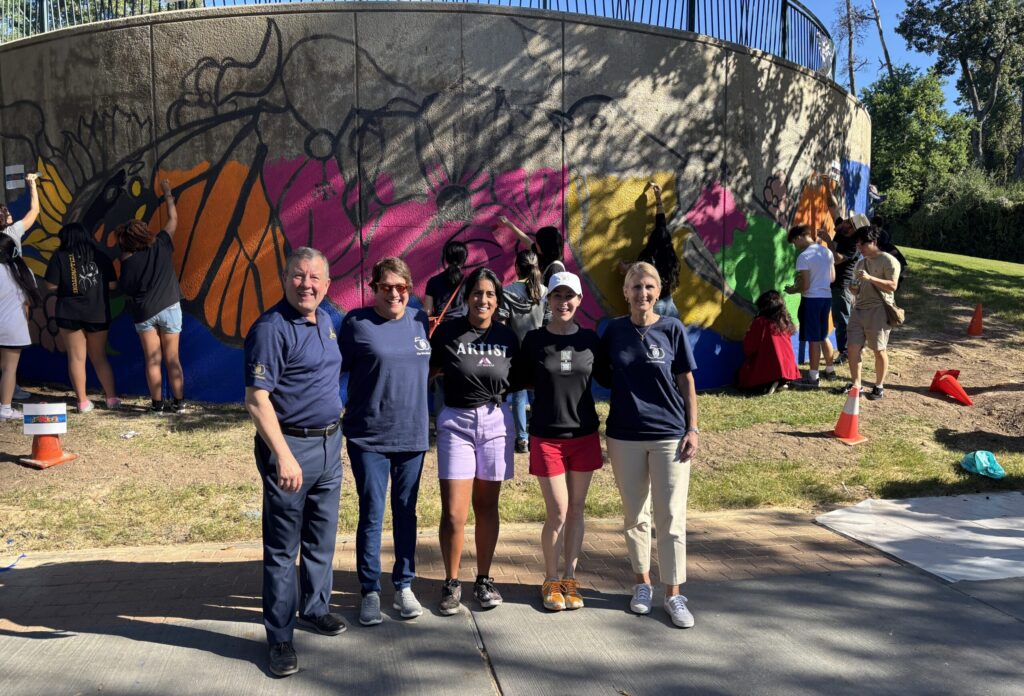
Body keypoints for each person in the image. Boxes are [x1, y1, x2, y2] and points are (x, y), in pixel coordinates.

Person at [244, 247, 347, 678]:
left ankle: (315, 608)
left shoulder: (325, 319)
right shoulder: (271, 328)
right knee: (284, 549)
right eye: (299, 277)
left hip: (329, 446)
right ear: (285, 279)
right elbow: (256, 399)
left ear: (326, 284)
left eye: (315, 278)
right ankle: (281, 637)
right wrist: (283, 456)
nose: (307, 285)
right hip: (291, 450)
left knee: (321, 540)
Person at [602, 261, 699, 628]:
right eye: (636, 287)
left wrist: (693, 429)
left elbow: (687, 381)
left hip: (669, 436)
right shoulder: (612, 331)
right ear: (625, 292)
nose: (642, 293)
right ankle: (642, 584)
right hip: (624, 435)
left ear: (658, 292)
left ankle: (674, 594)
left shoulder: (672, 328)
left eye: (649, 287)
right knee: (635, 516)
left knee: (671, 518)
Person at [339, 257, 430, 627]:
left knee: (406, 512)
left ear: (410, 289)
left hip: (412, 435)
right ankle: (370, 590)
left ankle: (404, 585)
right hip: (369, 437)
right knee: (373, 513)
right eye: (386, 287)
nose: (394, 293)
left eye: (402, 287)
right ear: (373, 288)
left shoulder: (420, 321)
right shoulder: (356, 324)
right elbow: (332, 369)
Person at [430, 267, 519, 616]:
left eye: (490, 295)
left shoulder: (507, 337)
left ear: (497, 301)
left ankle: (483, 578)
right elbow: (429, 370)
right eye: (477, 293)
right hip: (456, 421)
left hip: (495, 421)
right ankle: (451, 581)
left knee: (486, 507)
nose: (483, 300)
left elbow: (520, 376)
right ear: (467, 297)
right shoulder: (448, 333)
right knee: (454, 513)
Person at [515, 271, 606, 612]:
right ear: (547, 300)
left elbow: (612, 375)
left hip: (584, 435)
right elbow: (519, 379)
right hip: (547, 438)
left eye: (570, 296)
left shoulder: (590, 341)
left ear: (579, 301)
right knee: (558, 511)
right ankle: (550, 579)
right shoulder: (535, 341)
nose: (563, 302)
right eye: (557, 296)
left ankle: (570, 578)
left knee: (577, 510)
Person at [116, 179, 186, 413]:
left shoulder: (127, 259)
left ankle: (157, 405)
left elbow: (125, 288)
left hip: (144, 312)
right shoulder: (163, 243)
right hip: (170, 307)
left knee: (152, 360)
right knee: (172, 359)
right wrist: (168, 195)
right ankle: (179, 403)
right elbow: (173, 219)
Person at [44, 223, 120, 412]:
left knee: (76, 358)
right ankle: (111, 398)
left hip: (69, 313)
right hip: (97, 313)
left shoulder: (59, 257)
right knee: (100, 357)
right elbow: (112, 286)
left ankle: (83, 402)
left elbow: (50, 286)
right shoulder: (101, 257)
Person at [500, 249, 547, 454]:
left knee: (518, 397)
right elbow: (549, 323)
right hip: (541, 352)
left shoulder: (507, 291)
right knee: (539, 396)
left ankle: (522, 440)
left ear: (517, 268)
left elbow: (502, 325)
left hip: (516, 353)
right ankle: (539, 434)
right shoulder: (545, 292)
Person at [847, 226, 901, 401]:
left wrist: (870, 278)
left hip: (878, 309)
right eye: (857, 244)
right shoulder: (860, 263)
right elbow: (855, 289)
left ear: (874, 242)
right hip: (858, 309)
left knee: (879, 350)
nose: (859, 248)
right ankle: (856, 384)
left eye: (862, 244)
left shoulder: (889, 261)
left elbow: (893, 286)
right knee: (853, 347)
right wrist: (853, 288)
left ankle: (879, 386)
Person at [785, 225, 837, 386]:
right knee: (822, 335)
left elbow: (805, 286)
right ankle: (830, 370)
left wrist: (794, 290)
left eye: (794, 242)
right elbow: (833, 278)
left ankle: (813, 377)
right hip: (826, 297)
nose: (795, 246)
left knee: (813, 339)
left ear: (799, 237)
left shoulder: (804, 256)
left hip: (811, 299)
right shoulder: (826, 251)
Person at [619, 182, 681, 318]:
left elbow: (629, 270)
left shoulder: (647, 259)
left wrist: (625, 267)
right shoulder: (671, 259)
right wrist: (658, 198)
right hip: (670, 306)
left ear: (652, 239)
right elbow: (661, 224)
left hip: (653, 309)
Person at [0, 235, 42, 422]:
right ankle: (6, 408)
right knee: (9, 370)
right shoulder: (24, 271)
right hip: (13, 328)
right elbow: (28, 304)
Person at [737, 290, 801, 394]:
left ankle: (770, 383)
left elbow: (749, 348)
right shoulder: (784, 321)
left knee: (742, 376)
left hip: (770, 368)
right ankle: (780, 381)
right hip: (788, 368)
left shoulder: (761, 322)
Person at [498, 216, 565, 283]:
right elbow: (526, 240)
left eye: (537, 243)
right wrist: (508, 223)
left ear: (545, 246)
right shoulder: (543, 255)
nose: (535, 244)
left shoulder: (555, 269)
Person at [423, 240, 468, 322]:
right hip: (463, 326)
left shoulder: (433, 281)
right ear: (464, 259)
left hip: (441, 327)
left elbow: (427, 311)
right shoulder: (468, 282)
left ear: (446, 258)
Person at [0, 172, 41, 258]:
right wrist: (32, 186)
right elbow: (35, 210)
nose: (8, 213)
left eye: (6, 210)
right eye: (4, 212)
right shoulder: (13, 231)